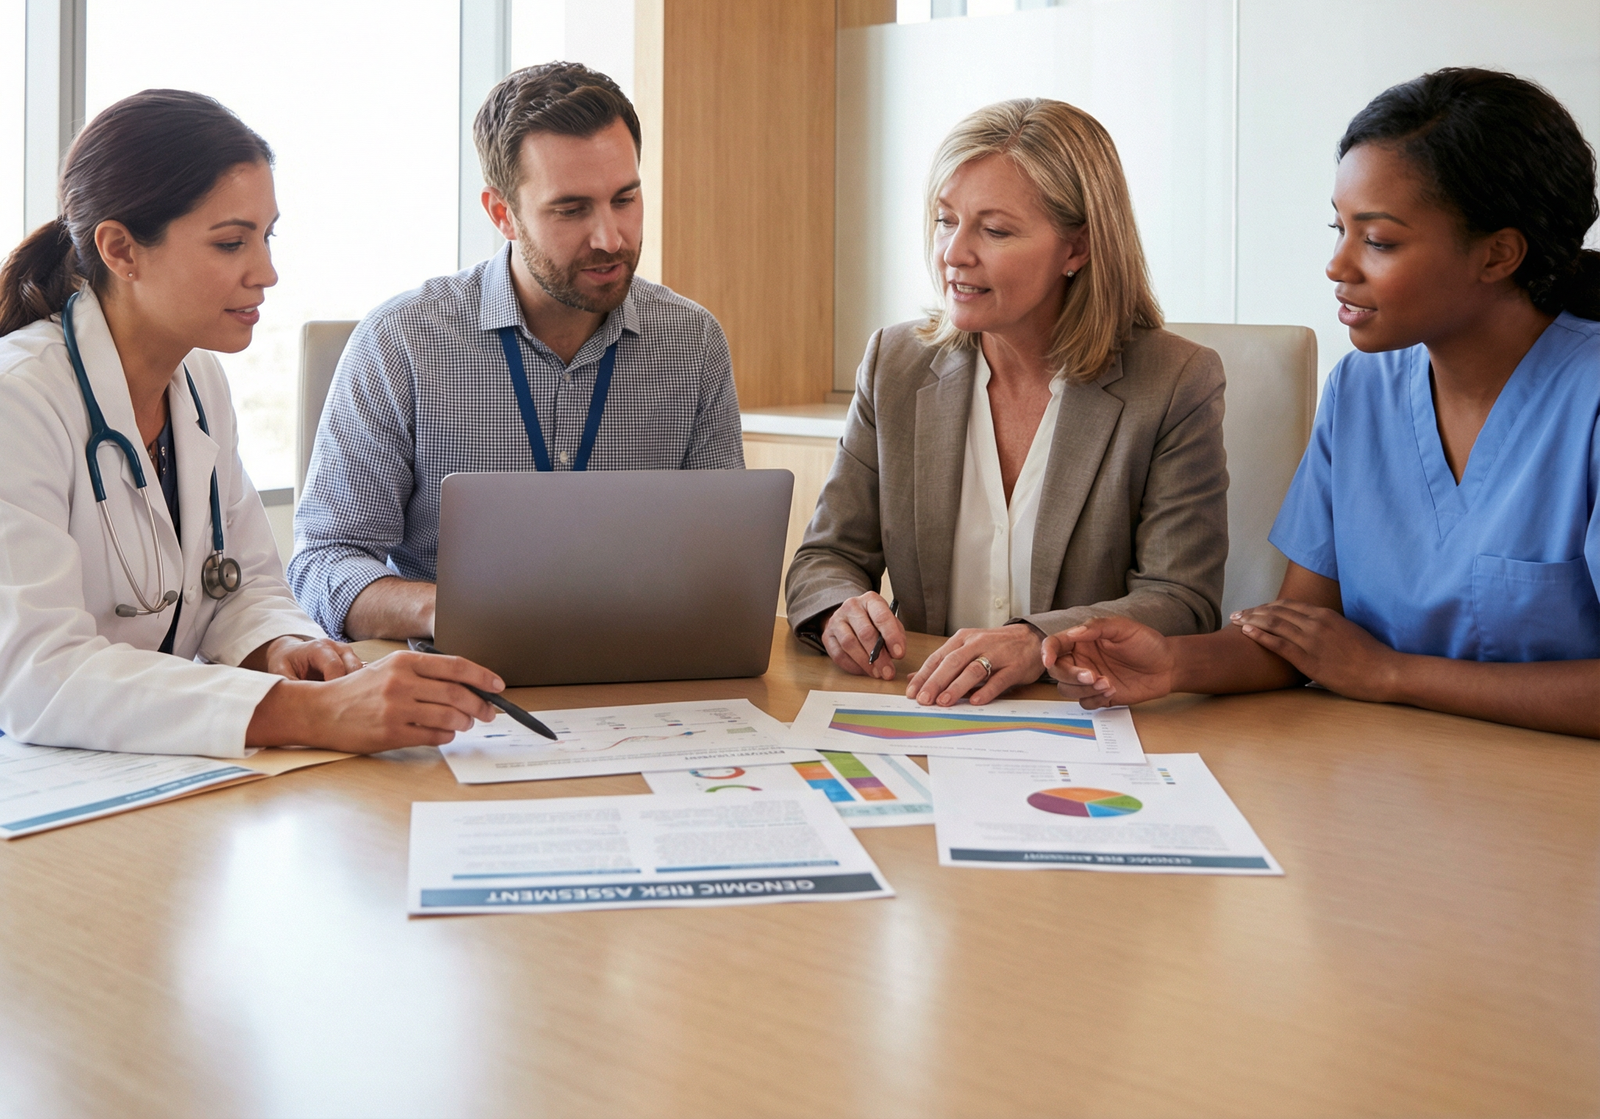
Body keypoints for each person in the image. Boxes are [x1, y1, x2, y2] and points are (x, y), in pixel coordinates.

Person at [1047, 68, 1600, 740]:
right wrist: (1171, 663)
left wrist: (1392, 674)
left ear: (1498, 254)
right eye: (1338, 228)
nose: (1338, 266)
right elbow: (1303, 635)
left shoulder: (1588, 398)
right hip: (1375, 771)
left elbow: (1359, 666)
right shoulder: (1360, 390)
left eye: (1379, 241)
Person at [0, 90, 506, 757]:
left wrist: (281, 645)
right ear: (121, 250)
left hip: (150, 770)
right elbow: (39, 675)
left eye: (266, 237)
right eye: (231, 243)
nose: (266, 272)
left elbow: (241, 584)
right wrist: (306, 714)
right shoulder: (20, 399)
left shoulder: (198, 381)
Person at [785, 97, 1229, 706]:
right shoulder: (895, 363)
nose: (953, 253)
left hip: (1081, 718)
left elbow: (1182, 601)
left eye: (993, 230)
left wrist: (1034, 641)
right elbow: (826, 556)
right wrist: (841, 608)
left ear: (1077, 249)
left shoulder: (1175, 382)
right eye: (946, 220)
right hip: (928, 711)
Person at [290, 62, 744, 642]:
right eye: (571, 209)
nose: (610, 238)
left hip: (641, 664)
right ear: (501, 213)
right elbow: (324, 562)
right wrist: (456, 610)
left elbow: (724, 560)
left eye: (625, 198)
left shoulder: (692, 343)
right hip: (460, 672)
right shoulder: (402, 342)